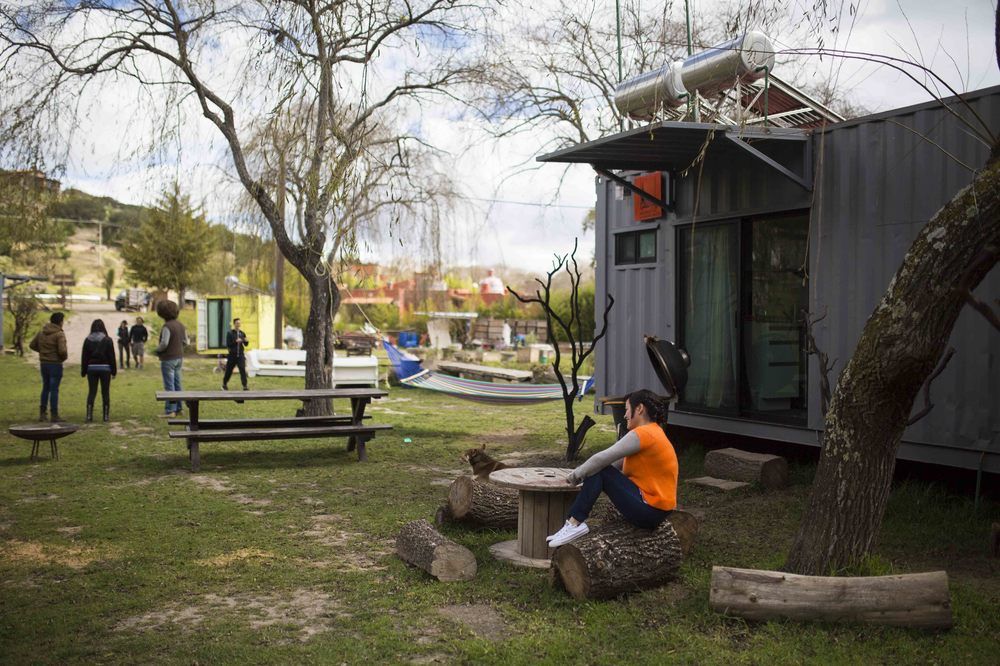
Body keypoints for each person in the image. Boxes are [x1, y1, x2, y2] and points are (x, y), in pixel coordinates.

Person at [546, 389, 678, 547]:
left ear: (640, 409)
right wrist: (586, 477)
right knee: (598, 469)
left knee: (599, 468)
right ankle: (572, 523)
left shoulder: (644, 433)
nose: (624, 415)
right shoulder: (654, 433)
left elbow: (602, 459)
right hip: (654, 510)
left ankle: (574, 523)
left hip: (650, 511)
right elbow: (615, 465)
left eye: (627, 409)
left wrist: (572, 477)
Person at [29, 312, 68, 422]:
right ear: (60, 322)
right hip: (55, 364)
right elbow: (62, 350)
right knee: (54, 389)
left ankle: (42, 413)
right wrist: (62, 358)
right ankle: (54, 414)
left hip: (44, 363)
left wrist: (42, 352)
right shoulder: (59, 334)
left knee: (45, 387)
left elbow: (32, 345)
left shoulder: (42, 332)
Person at [154, 300, 187, 418]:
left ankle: (170, 411)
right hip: (179, 358)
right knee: (178, 383)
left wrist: (156, 350)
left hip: (168, 359)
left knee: (169, 385)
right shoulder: (181, 325)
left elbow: (164, 343)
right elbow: (186, 342)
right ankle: (179, 408)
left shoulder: (167, 326)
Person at [81, 319, 117, 422]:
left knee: (92, 392)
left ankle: (89, 415)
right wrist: (113, 371)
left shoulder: (87, 340)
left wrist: (84, 371)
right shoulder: (107, 340)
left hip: (92, 368)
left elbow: (84, 357)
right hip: (105, 368)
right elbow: (111, 357)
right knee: (105, 392)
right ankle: (106, 416)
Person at [222, 317, 249, 391]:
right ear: (234, 324)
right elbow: (228, 344)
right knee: (229, 370)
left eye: (239, 323)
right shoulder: (230, 333)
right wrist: (236, 341)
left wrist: (245, 340)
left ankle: (245, 386)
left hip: (240, 355)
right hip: (232, 355)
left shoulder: (242, 333)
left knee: (242, 370)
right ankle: (224, 384)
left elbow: (246, 344)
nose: (238, 324)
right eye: (237, 323)